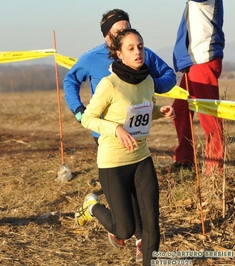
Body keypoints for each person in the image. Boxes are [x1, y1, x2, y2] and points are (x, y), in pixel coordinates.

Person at [64, 8, 176, 259]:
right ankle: (93, 207)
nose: (136, 50)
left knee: (151, 224)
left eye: (140, 46)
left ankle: (144, 248)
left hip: (141, 154)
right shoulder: (101, 72)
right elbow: (72, 84)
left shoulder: (144, 69)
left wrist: (157, 107)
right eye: (120, 34)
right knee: (123, 225)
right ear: (112, 43)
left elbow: (158, 88)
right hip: (110, 150)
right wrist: (80, 110)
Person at [64, 9, 176, 145]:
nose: (123, 35)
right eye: (118, 32)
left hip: (136, 129)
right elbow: (70, 81)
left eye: (127, 30)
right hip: (106, 133)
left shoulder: (141, 53)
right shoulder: (92, 58)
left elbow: (169, 75)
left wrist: (151, 84)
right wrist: (78, 109)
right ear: (106, 34)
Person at [172, 0, 224, 174]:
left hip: (203, 60)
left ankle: (215, 167)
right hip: (195, 63)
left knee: (209, 116)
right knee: (179, 110)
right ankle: (185, 159)